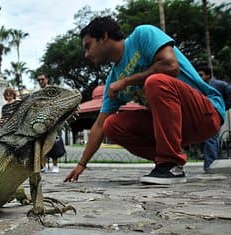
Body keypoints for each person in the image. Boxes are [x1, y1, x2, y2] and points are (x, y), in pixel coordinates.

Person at [64, 16, 225, 185]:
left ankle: (168, 163)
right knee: (111, 125)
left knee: (156, 82)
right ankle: (171, 165)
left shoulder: (143, 35)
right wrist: (81, 164)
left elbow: (170, 66)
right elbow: (99, 125)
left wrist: (127, 81)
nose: (87, 54)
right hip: (175, 128)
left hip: (205, 114)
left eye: (88, 46)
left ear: (104, 37)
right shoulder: (113, 79)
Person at [197, 65, 231, 172]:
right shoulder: (199, 86)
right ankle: (210, 164)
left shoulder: (219, 85)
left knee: (210, 138)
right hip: (203, 115)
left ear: (208, 75)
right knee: (205, 139)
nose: (199, 77)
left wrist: (223, 107)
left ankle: (210, 166)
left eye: (201, 75)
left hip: (214, 115)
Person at [37, 73, 61, 173]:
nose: (40, 82)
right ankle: (43, 166)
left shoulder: (52, 91)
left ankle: (55, 165)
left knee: (53, 143)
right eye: (39, 80)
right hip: (41, 122)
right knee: (42, 145)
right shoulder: (38, 93)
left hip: (52, 121)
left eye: (42, 79)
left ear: (47, 79)